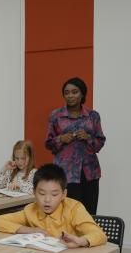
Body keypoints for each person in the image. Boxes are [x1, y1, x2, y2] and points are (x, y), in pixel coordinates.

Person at [45, 77, 105, 214]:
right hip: (65, 173)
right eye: (67, 93)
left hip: (90, 173)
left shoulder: (93, 116)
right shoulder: (56, 116)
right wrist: (61, 139)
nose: (70, 95)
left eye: (74, 92)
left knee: (89, 214)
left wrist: (88, 137)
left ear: (82, 93)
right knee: (67, 214)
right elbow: (48, 144)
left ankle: (89, 236)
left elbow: (100, 143)